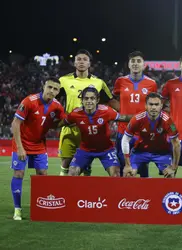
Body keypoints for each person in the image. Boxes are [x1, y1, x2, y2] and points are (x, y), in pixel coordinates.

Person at [10, 77, 66, 220]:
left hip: (39, 145)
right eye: (50, 87)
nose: (52, 91)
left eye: (55, 89)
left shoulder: (57, 107)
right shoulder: (29, 101)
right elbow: (15, 124)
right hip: (22, 143)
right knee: (19, 174)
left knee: (42, 174)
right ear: (44, 86)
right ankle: (17, 209)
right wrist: (20, 148)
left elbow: (60, 122)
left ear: (58, 91)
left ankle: (41, 208)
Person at [58, 49, 119, 176]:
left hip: (88, 130)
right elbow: (53, 101)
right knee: (66, 164)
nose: (81, 62)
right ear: (74, 63)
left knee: (85, 165)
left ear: (89, 64)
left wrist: (131, 112)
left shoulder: (98, 83)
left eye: (85, 59)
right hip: (70, 129)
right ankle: (65, 192)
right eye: (78, 59)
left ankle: (85, 195)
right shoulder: (63, 81)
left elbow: (110, 101)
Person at [61, 87, 131, 177]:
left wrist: (142, 117)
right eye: (86, 98)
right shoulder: (75, 114)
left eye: (92, 98)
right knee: (72, 173)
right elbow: (61, 123)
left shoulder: (106, 111)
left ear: (97, 100)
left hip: (106, 150)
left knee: (116, 175)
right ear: (82, 100)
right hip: (85, 150)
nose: (89, 101)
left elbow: (124, 118)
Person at [113, 51, 157, 177]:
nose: (135, 64)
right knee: (123, 166)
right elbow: (114, 99)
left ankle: (145, 196)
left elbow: (154, 104)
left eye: (139, 61)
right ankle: (122, 195)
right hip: (123, 130)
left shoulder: (151, 83)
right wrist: (121, 113)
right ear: (129, 64)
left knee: (143, 167)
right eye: (133, 61)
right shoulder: (120, 81)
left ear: (144, 65)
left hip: (143, 132)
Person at [121, 92, 181, 177]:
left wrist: (174, 167)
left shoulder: (169, 121)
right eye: (151, 104)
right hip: (140, 152)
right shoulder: (136, 119)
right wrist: (127, 165)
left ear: (161, 106)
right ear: (145, 105)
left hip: (161, 153)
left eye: (156, 104)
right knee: (128, 174)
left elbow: (176, 143)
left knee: (170, 175)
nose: (153, 107)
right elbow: (125, 139)